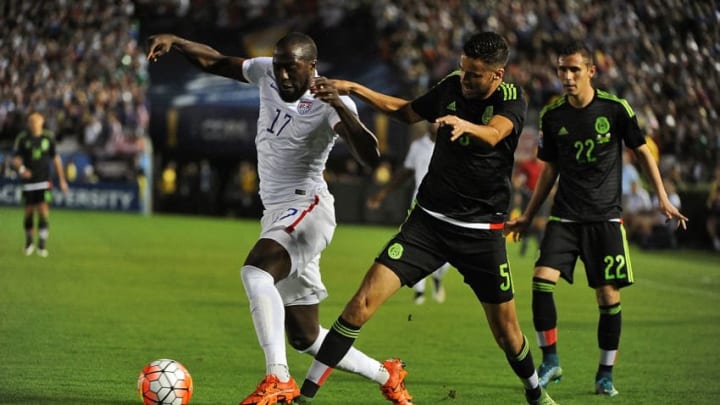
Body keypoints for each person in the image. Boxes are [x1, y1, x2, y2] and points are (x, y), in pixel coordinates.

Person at [146, 32, 414, 405]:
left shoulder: (327, 101)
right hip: (279, 212)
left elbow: (371, 157)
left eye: (292, 69)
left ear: (312, 66)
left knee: (255, 272)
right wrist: (176, 41)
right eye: (279, 68)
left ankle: (278, 378)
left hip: (308, 206)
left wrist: (340, 105)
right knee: (305, 336)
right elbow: (215, 60)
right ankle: (387, 375)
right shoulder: (266, 73)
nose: (284, 77)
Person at [295, 32, 556, 405]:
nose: (464, 79)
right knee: (361, 303)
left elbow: (496, 133)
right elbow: (405, 111)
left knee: (507, 332)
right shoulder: (451, 87)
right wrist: (354, 88)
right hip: (428, 225)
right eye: (463, 69)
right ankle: (306, 396)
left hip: (481, 233)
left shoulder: (511, 98)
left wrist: (469, 128)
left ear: (497, 75)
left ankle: (534, 391)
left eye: (475, 74)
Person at [505, 40, 688, 398]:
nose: (568, 77)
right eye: (562, 70)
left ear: (591, 71)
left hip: (605, 219)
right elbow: (550, 170)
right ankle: (551, 359)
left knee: (607, 296)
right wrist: (528, 215)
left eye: (575, 69)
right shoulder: (553, 115)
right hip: (565, 216)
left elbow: (643, 153)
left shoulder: (616, 109)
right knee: (541, 280)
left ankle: (605, 374)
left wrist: (663, 198)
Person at [366, 122, 449, 305]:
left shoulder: (453, 144)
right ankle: (419, 293)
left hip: (446, 206)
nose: (435, 123)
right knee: (415, 247)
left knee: (446, 253)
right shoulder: (417, 146)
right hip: (419, 204)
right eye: (432, 119)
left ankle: (437, 278)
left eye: (438, 119)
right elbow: (405, 172)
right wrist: (383, 193)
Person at [11, 112, 69, 257]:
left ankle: (42, 244)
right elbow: (16, 159)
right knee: (29, 212)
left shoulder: (48, 138)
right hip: (28, 183)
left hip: (44, 180)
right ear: (28, 122)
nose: (34, 122)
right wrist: (22, 169)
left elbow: (56, 159)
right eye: (31, 120)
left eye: (36, 120)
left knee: (43, 211)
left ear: (42, 121)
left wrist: (62, 179)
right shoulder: (23, 138)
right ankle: (29, 242)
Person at [707, 164, 720, 251]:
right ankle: (716, 243)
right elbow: (709, 203)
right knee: (711, 224)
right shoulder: (715, 185)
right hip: (716, 211)